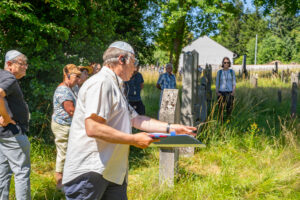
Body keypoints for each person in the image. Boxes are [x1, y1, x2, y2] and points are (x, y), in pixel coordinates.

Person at [62, 41, 196, 200]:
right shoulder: (101, 83)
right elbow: (93, 127)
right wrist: (133, 139)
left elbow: (137, 119)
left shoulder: (116, 86)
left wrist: (173, 128)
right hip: (90, 171)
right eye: (134, 62)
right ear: (121, 59)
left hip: (112, 171)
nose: (135, 67)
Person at [0, 50, 31, 199]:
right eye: (22, 64)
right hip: (13, 134)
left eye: (26, 64)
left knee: (3, 173)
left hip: (3, 135)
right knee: (22, 171)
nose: (25, 67)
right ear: (10, 64)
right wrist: (5, 116)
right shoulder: (10, 79)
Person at [51, 64, 81, 188]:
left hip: (69, 125)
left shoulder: (72, 88)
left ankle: (69, 178)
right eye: (76, 76)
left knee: (70, 152)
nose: (78, 79)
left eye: (79, 76)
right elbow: (71, 111)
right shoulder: (63, 90)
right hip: (62, 126)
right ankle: (59, 181)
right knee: (63, 152)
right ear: (67, 75)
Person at [216, 57, 236, 121]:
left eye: (227, 62)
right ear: (223, 63)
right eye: (225, 62)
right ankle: (220, 122)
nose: (226, 64)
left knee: (229, 108)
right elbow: (217, 83)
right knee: (220, 109)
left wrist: (233, 92)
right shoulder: (219, 72)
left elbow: (234, 82)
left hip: (229, 92)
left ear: (229, 63)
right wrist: (217, 92)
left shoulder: (232, 72)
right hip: (221, 92)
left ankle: (228, 121)